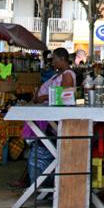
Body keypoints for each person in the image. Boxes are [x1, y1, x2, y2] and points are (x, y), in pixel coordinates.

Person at [25, 48, 77, 185]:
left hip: (56, 117)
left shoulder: (67, 75)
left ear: (62, 59)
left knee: (44, 143)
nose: (52, 62)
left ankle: (39, 180)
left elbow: (65, 96)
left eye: (54, 59)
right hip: (50, 114)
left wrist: (43, 97)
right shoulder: (59, 74)